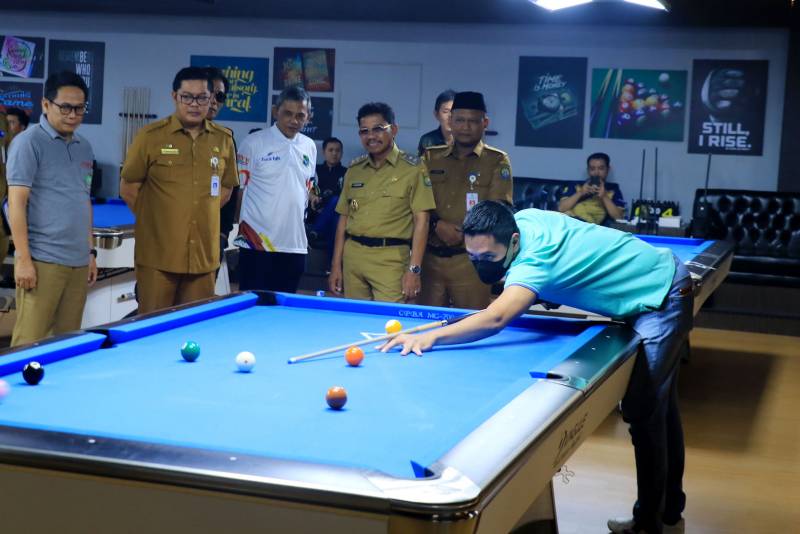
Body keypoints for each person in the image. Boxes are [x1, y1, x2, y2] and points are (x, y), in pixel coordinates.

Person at [382, 201, 691, 534]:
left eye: (488, 257)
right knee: (663, 410)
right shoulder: (525, 218)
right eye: (473, 257)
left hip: (662, 295)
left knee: (645, 412)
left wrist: (430, 337)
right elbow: (569, 244)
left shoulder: (532, 263)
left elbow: (496, 318)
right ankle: (670, 513)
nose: (481, 264)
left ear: (513, 241)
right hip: (651, 278)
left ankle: (649, 525)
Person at [120, 66, 238, 314]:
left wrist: (197, 213)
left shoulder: (224, 139)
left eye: (202, 98)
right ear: (175, 97)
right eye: (187, 97)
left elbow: (226, 188)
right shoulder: (150, 136)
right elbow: (129, 187)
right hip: (158, 257)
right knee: (154, 326)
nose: (194, 104)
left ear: (211, 99)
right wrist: (160, 221)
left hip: (203, 258)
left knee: (195, 325)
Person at [6, 71, 99, 346]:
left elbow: (83, 200)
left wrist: (90, 252)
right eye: (65, 107)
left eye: (79, 108)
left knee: (66, 343)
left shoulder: (84, 147)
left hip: (78, 261)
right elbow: (16, 204)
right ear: (46, 104)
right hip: (42, 260)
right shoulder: (28, 143)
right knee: (29, 344)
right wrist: (23, 259)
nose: (73, 115)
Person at [328, 102, 435, 303]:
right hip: (353, 258)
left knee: (389, 320)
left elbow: (422, 221)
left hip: (391, 259)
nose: (371, 136)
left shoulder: (413, 169)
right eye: (364, 131)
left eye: (378, 129)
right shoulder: (354, 170)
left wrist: (414, 270)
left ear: (393, 130)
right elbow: (343, 219)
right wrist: (335, 266)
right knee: (355, 318)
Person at [420, 91, 513, 310]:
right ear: (450, 121)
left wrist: (465, 232)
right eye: (460, 120)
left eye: (473, 121)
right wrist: (436, 225)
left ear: (485, 123)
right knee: (425, 320)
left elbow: (499, 209)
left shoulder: (496, 160)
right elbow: (417, 203)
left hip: (471, 262)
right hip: (430, 260)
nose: (465, 126)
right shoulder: (431, 157)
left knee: (471, 321)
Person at [233, 86, 317, 293]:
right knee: (253, 307)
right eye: (288, 113)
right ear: (275, 111)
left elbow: (305, 192)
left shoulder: (310, 146)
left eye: (300, 115)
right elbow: (239, 191)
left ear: (308, 117)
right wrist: (235, 232)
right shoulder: (253, 143)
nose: (294, 120)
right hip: (256, 245)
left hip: (295, 246)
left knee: (284, 309)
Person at [204, 67, 239, 264]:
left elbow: (230, 189)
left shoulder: (226, 139)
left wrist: (223, 233)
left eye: (220, 96)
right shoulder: (167, 136)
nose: (214, 101)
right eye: (209, 93)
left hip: (212, 233)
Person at [558, 152, 626, 225]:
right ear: (588, 170)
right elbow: (561, 208)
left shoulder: (613, 190)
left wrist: (604, 196)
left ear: (608, 169)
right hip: (569, 221)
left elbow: (619, 218)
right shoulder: (576, 185)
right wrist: (581, 192)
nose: (596, 172)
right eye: (592, 169)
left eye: (601, 168)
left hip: (588, 226)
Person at [310, 137, 347, 258]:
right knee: (335, 223)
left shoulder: (347, 172)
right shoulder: (315, 170)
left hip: (338, 211)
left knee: (336, 207)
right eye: (331, 150)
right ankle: (332, 265)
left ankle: (316, 231)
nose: (334, 153)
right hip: (316, 209)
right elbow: (306, 189)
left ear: (342, 153)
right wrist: (313, 197)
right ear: (323, 152)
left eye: (338, 150)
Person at [417, 89, 456, 156]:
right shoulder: (427, 140)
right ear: (436, 114)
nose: (450, 116)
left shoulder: (469, 141)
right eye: (446, 112)